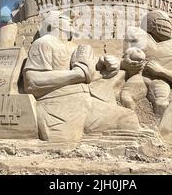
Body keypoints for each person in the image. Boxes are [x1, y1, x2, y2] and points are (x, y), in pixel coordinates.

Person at [24, 11, 141, 142]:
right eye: (65, 17)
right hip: (57, 104)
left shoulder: (74, 48)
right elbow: (32, 81)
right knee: (65, 143)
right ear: (54, 23)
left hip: (85, 101)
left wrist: (109, 65)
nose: (71, 20)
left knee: (128, 118)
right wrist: (76, 75)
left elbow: (89, 72)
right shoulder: (44, 43)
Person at [124, 10, 172, 115]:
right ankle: (130, 124)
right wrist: (128, 63)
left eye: (167, 21)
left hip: (161, 81)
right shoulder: (137, 36)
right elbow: (124, 58)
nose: (166, 25)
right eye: (161, 21)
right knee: (126, 98)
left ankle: (160, 129)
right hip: (139, 78)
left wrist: (161, 71)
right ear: (149, 25)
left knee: (161, 103)